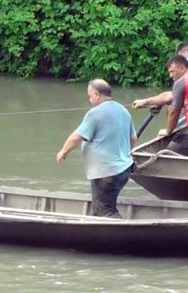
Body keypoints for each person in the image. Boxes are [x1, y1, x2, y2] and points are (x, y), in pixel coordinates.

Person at [56, 79, 136, 218]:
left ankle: (126, 230)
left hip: (106, 172)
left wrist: (63, 151)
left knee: (106, 211)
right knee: (99, 207)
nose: (89, 99)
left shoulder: (94, 113)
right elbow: (133, 138)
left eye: (90, 96)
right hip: (124, 169)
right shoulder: (123, 110)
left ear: (97, 95)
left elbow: (76, 137)